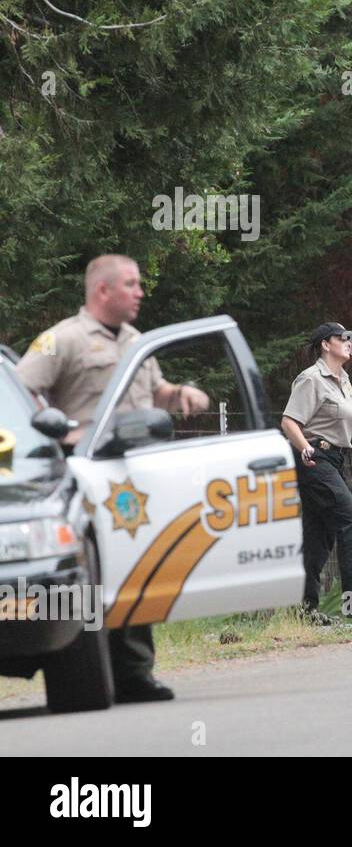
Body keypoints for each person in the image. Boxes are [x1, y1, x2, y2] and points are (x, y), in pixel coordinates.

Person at [17, 254, 210, 702]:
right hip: (85, 477)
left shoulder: (138, 343)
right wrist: (62, 429)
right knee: (93, 574)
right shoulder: (60, 340)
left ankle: (135, 674)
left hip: (134, 478)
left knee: (135, 567)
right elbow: (25, 391)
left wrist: (178, 393)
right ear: (103, 290)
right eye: (131, 284)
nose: (140, 292)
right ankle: (91, 673)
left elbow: (155, 392)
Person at [281, 323, 352, 621]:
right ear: (325, 345)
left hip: (335, 461)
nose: (348, 341)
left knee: (320, 536)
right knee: (351, 519)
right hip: (314, 459)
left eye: (349, 338)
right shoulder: (312, 379)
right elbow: (289, 422)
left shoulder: (343, 380)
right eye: (341, 338)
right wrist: (304, 447)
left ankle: (303, 610)